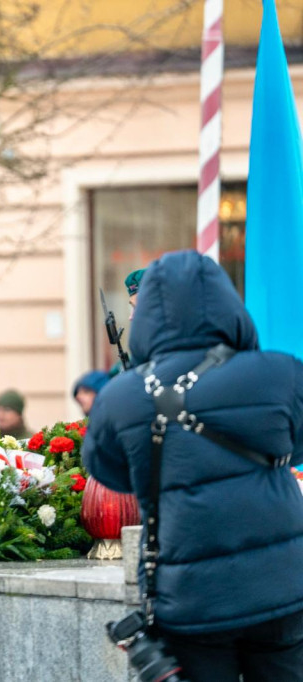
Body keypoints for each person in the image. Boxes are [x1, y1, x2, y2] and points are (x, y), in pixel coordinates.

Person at [83, 250, 303, 681]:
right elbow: (297, 448)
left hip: (190, 597)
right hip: (282, 587)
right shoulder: (280, 373)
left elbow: (109, 473)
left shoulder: (123, 396)